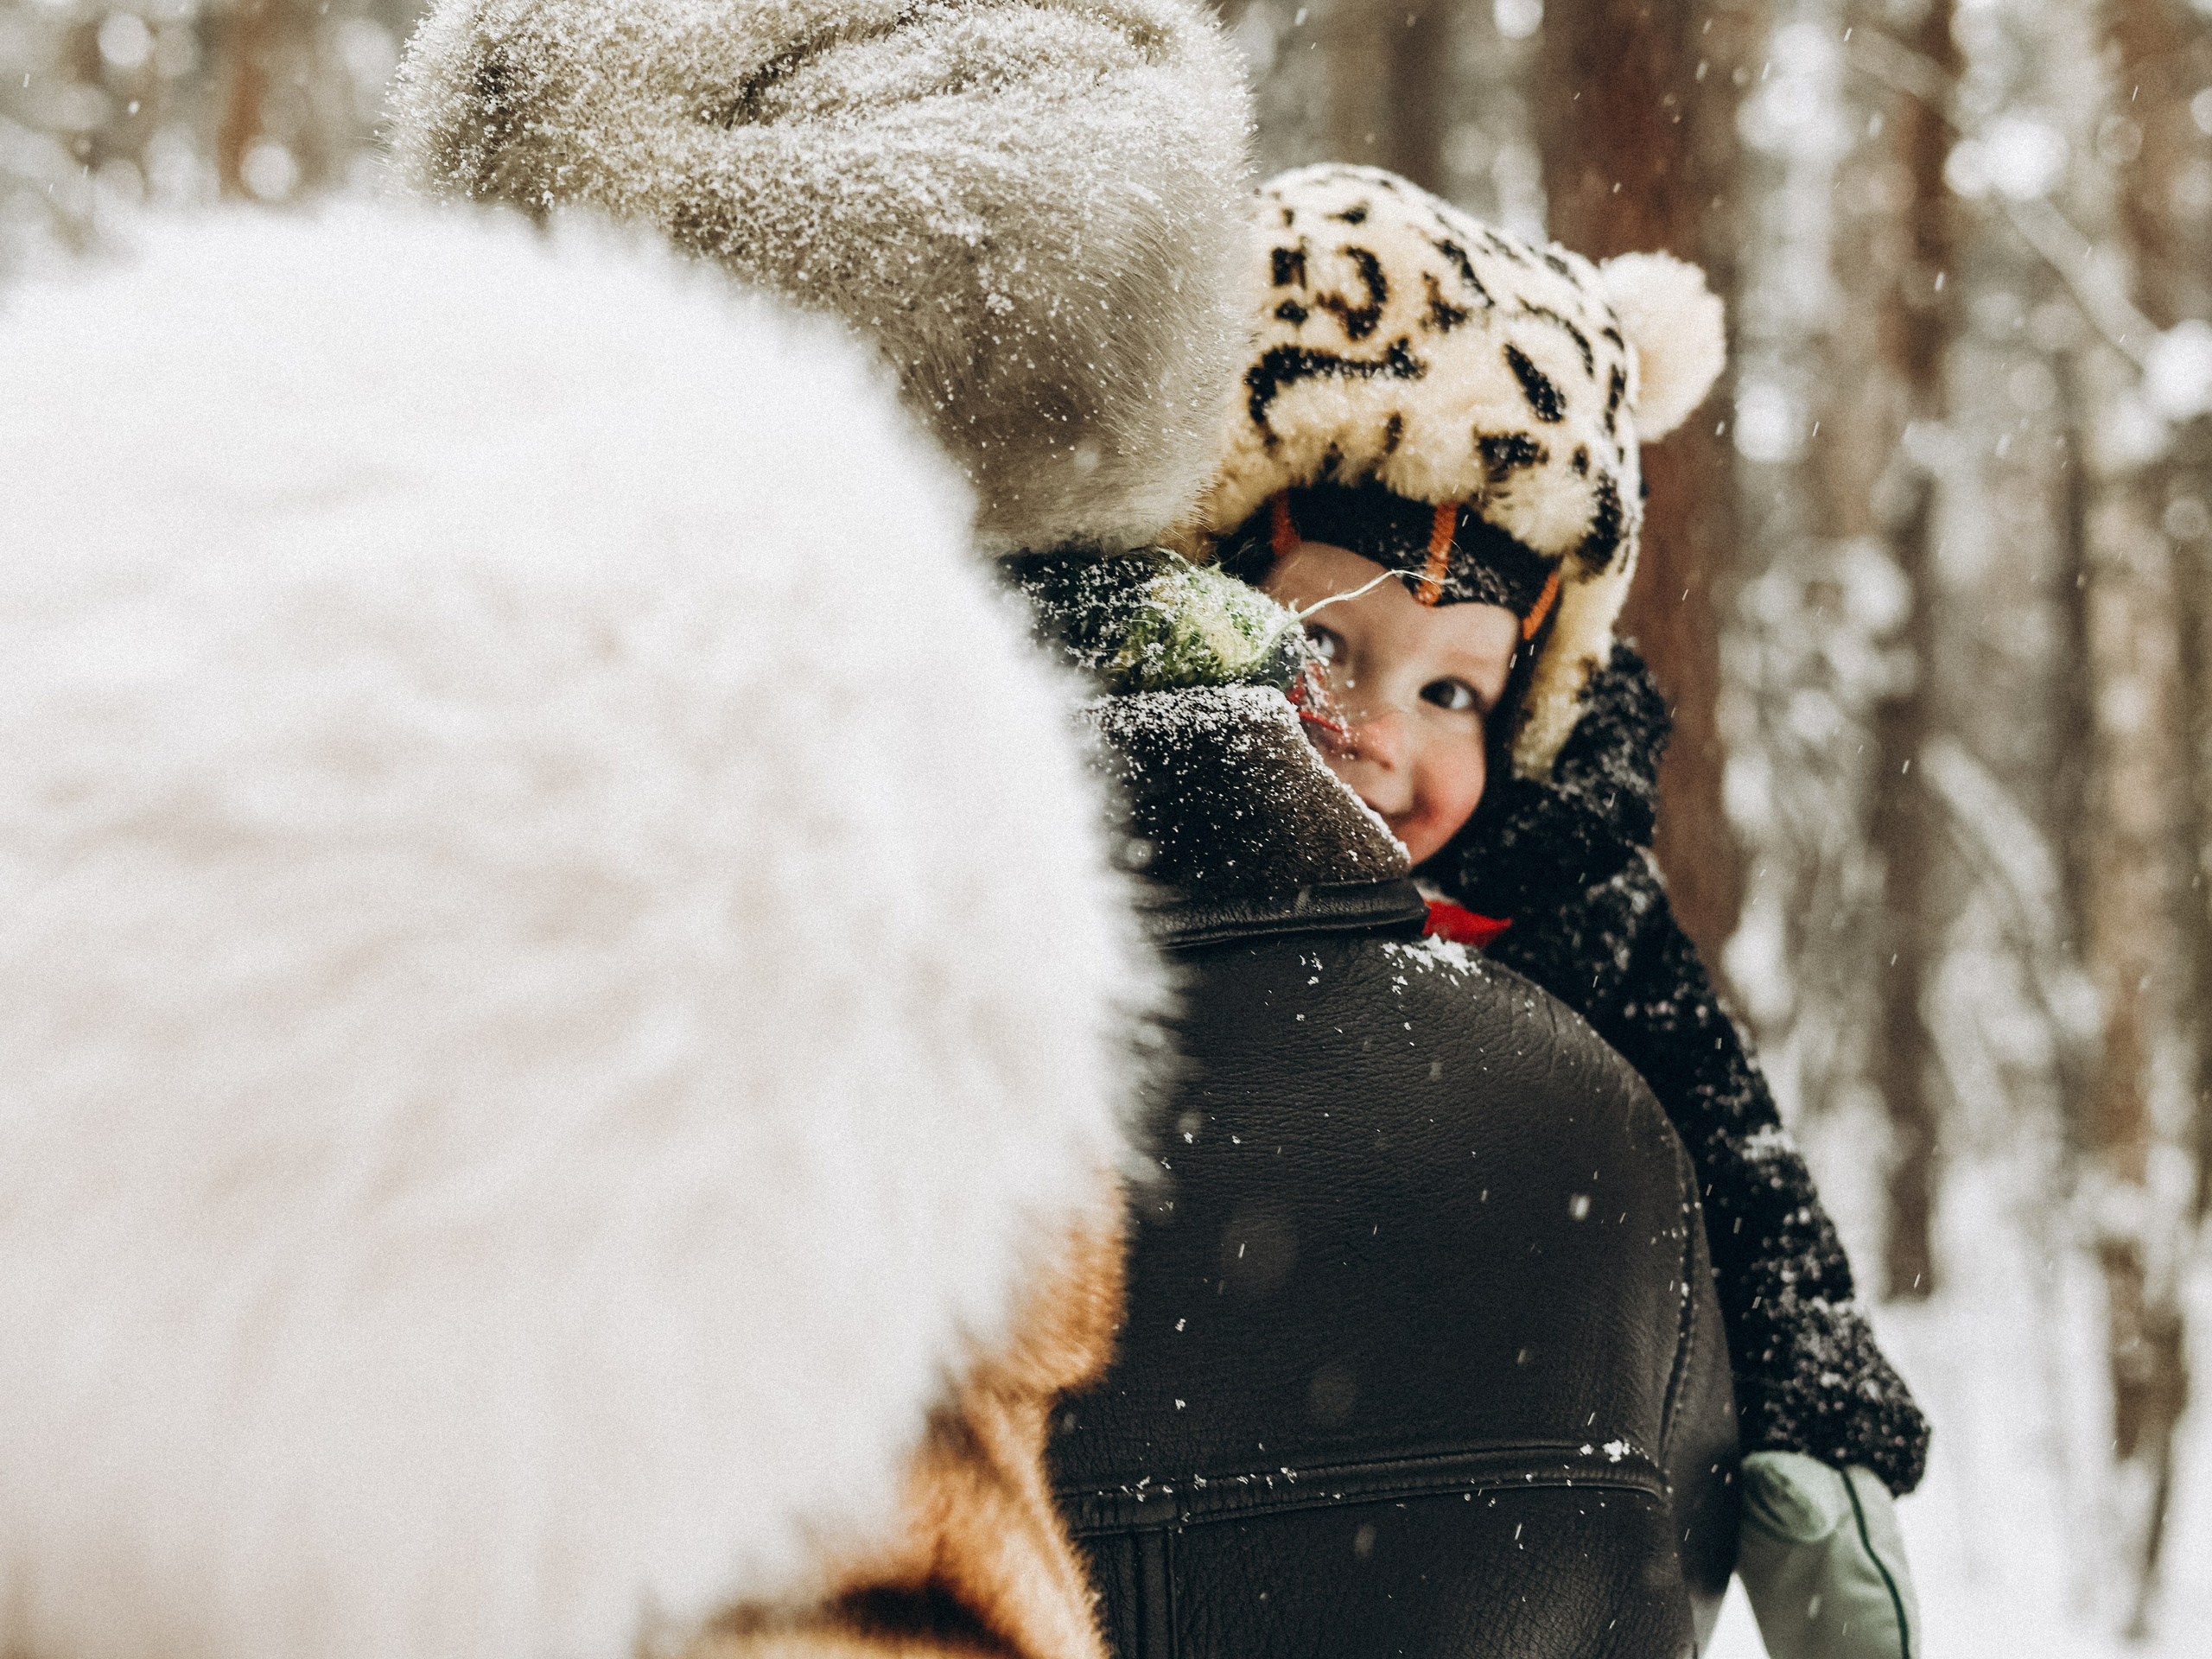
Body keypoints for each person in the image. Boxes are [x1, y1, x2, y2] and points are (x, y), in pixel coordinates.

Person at [1197, 162, 1929, 1659]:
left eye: (1456, 690)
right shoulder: (1086, 844)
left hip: (1452, 1521)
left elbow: (1735, 1152)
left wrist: (1811, 1418)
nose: (1385, 737)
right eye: (1326, 650)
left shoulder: (1555, 891)